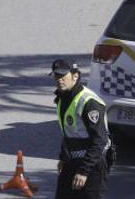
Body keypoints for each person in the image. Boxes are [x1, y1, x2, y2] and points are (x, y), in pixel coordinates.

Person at [51, 59, 112, 199]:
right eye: (56, 76)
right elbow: (69, 132)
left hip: (92, 165)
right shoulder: (62, 97)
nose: (59, 80)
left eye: (62, 76)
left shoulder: (89, 102)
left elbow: (99, 141)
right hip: (71, 161)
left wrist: (84, 171)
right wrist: (63, 157)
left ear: (75, 76)